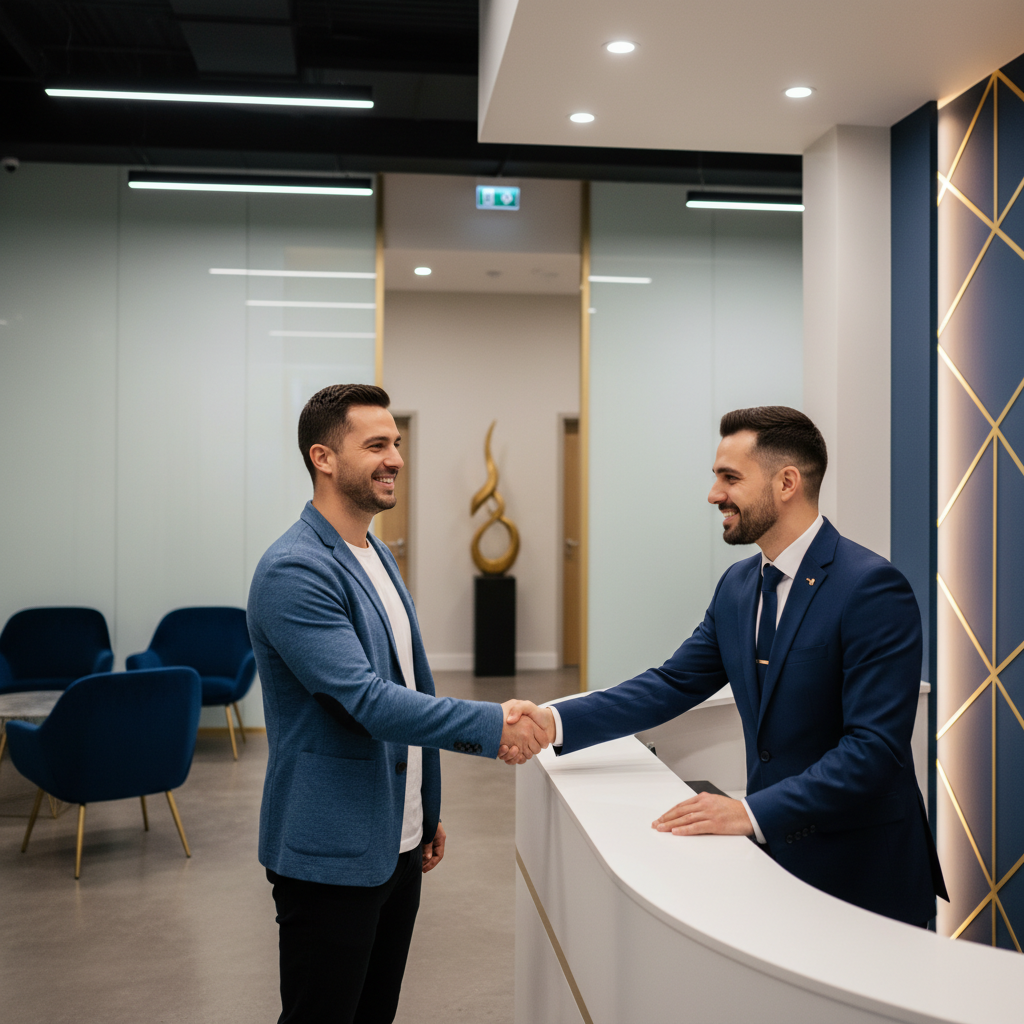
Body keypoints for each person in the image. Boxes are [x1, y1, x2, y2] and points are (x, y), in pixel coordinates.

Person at [508, 406, 947, 926]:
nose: (714, 494)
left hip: (864, 872)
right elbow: (673, 683)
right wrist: (555, 720)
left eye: (730, 478)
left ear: (787, 482)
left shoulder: (871, 588)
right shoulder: (739, 586)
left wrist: (749, 811)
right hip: (773, 861)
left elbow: (873, 751)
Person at [247, 383, 548, 1024]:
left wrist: (423, 806)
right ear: (323, 457)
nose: (396, 459)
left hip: (396, 841)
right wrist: (495, 722)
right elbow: (367, 701)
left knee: (374, 1012)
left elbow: (411, 683)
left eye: (398, 444)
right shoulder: (295, 569)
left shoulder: (375, 552)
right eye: (377, 444)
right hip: (329, 854)